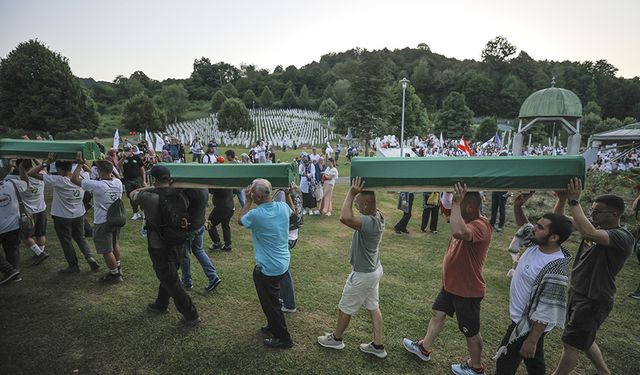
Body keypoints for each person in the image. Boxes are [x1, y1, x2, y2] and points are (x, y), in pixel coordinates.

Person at [403, 183, 492, 375]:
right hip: (451, 285)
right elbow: (449, 218)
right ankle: (424, 348)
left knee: (471, 332)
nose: (453, 207)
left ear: (468, 206)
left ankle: (476, 368)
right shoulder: (466, 219)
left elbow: (458, 232)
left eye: (458, 204)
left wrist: (457, 202)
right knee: (438, 313)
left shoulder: (481, 225)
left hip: (467, 290)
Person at [551, 179, 634, 375]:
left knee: (571, 343)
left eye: (597, 212)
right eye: (592, 210)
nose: (592, 214)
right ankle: (604, 372)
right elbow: (557, 222)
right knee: (583, 338)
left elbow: (589, 232)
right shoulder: (596, 227)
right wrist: (563, 199)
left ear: (613, 215)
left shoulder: (621, 236)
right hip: (579, 292)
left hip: (594, 298)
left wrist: (574, 201)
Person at [494, 191, 573, 375]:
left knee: (505, 364)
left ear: (554, 237)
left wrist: (532, 339)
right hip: (524, 319)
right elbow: (525, 226)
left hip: (527, 324)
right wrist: (517, 206)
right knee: (533, 361)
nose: (534, 228)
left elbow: (547, 309)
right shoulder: (537, 243)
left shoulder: (555, 269)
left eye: (540, 227)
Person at [317, 177, 387, 358]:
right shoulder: (378, 215)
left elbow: (344, 217)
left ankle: (336, 339)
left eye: (357, 203)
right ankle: (378, 346)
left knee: (345, 307)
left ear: (365, 206)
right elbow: (363, 206)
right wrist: (360, 194)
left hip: (364, 274)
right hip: (374, 270)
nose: (354, 205)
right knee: (373, 306)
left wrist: (351, 192)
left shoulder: (370, 223)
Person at [131, 165, 200, 326]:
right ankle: (161, 304)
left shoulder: (147, 196)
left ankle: (191, 315)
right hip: (178, 240)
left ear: (154, 179)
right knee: (169, 274)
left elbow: (132, 194)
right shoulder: (181, 195)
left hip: (158, 243)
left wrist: (150, 186)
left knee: (170, 279)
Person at [238, 178, 293, 349]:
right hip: (283, 262)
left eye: (252, 192)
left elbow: (241, 220)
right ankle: (272, 324)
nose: (250, 193)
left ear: (258, 197)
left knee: (271, 304)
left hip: (268, 269)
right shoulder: (283, 207)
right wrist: (289, 195)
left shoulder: (256, 214)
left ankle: (283, 338)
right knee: (273, 299)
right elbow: (292, 211)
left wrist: (247, 201)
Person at [28, 155, 100, 273]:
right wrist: (81, 163)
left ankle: (73, 266)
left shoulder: (58, 179)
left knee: (66, 241)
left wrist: (47, 162)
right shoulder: (82, 176)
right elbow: (89, 170)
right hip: (79, 214)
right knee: (81, 238)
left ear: (60, 170)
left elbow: (31, 173)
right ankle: (89, 257)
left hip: (62, 216)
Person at [71, 157, 124, 283]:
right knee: (114, 243)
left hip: (103, 221)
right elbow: (106, 174)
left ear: (99, 171)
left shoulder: (97, 185)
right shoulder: (118, 182)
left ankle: (115, 274)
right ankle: (118, 266)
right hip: (116, 218)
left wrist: (79, 165)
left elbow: (74, 179)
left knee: (106, 249)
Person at [5, 160, 49, 265]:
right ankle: (40, 253)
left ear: (21, 168)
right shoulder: (42, 174)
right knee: (40, 233)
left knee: (24, 236)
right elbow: (43, 168)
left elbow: (3, 177)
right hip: (41, 209)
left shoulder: (16, 180)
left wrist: (12, 166)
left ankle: (39, 253)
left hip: (27, 213)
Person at [180, 188, 222, 291]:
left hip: (190, 228)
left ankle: (187, 282)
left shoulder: (187, 191)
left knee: (184, 255)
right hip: (200, 224)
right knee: (199, 250)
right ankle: (213, 276)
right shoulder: (203, 187)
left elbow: (182, 209)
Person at [273, 184, 300, 314]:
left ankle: (289, 304)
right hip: (292, 235)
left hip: (286, 236)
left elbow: (277, 215)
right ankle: (283, 298)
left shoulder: (282, 193)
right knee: (282, 270)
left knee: (284, 272)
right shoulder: (295, 189)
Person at [0, 161, 27, 284]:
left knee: (11, 249)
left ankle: (10, 270)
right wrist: (21, 169)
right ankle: (15, 274)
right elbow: (26, 183)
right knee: (12, 249)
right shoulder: (12, 183)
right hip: (13, 224)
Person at [119, 144, 146, 221]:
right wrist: (123, 158)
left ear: (131, 150)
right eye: (125, 150)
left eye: (128, 150)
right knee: (131, 197)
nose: (127, 152)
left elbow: (142, 170)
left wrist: (144, 180)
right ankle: (135, 212)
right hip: (128, 180)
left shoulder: (137, 158)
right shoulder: (123, 159)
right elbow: (119, 165)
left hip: (137, 179)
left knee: (140, 195)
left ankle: (144, 212)